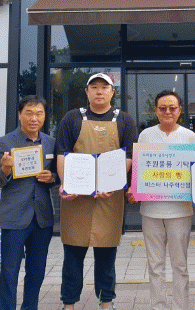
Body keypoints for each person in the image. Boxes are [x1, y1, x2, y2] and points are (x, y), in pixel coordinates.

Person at [56, 73, 137, 310]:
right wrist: (65, 183)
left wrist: (111, 183)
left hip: (109, 197)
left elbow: (129, 156)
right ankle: (69, 304)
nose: (99, 91)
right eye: (94, 87)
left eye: (104, 87)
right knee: (73, 255)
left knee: (106, 257)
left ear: (112, 92)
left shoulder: (124, 120)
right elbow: (62, 153)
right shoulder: (72, 118)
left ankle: (106, 302)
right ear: (87, 91)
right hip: (76, 197)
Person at [126, 90, 195, 310]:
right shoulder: (145, 135)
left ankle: (180, 307)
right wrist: (133, 188)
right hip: (150, 210)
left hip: (180, 211)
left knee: (180, 265)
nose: (168, 112)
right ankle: (158, 306)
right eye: (163, 108)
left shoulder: (189, 137)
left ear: (180, 111)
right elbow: (139, 170)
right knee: (155, 264)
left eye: (172, 108)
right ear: (156, 111)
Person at [0, 95, 57, 310]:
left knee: (37, 271)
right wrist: (5, 168)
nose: (34, 118)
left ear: (44, 116)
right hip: (14, 216)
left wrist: (52, 177)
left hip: (42, 217)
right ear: (20, 115)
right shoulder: (4, 142)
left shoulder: (50, 142)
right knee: (9, 271)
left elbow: (58, 174)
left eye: (39, 113)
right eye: (29, 113)